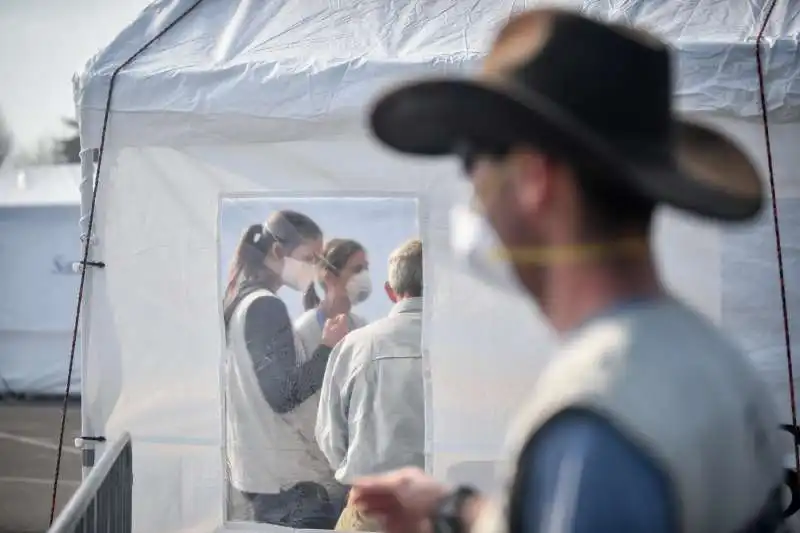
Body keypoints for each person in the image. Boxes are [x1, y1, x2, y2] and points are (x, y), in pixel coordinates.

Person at [350, 9, 786, 533]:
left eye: (473, 160)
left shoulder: (597, 421)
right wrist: (451, 509)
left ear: (535, 177)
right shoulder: (709, 359)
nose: (471, 191)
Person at [223, 210, 350, 528]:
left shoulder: (244, 300)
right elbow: (283, 394)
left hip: (263, 479)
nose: (317, 266)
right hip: (289, 487)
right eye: (310, 257)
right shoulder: (266, 306)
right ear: (278, 252)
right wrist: (328, 348)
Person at [315, 238, 425, 531]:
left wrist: (359, 472)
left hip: (370, 510)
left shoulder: (354, 345)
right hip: (439, 512)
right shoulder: (463, 349)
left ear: (391, 292)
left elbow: (329, 436)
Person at [294, 238, 372, 359]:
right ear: (330, 276)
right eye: (357, 270)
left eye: (366, 269)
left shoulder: (361, 326)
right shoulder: (304, 331)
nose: (364, 276)